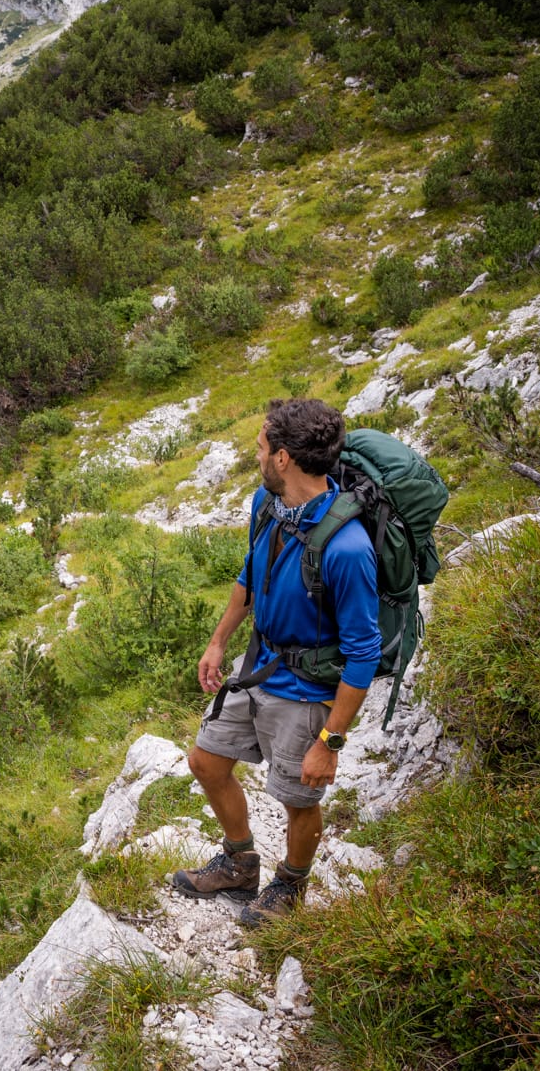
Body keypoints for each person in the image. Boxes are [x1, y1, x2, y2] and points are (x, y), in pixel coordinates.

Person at [171, 397, 379, 927]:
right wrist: (219, 642)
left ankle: (289, 888)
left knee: (298, 800)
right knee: (206, 761)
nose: (256, 455)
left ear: (284, 458)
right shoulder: (268, 507)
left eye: (262, 447)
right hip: (256, 665)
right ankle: (241, 865)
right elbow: (250, 576)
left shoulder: (348, 548)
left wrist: (330, 743)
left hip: (307, 690)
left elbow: (363, 652)